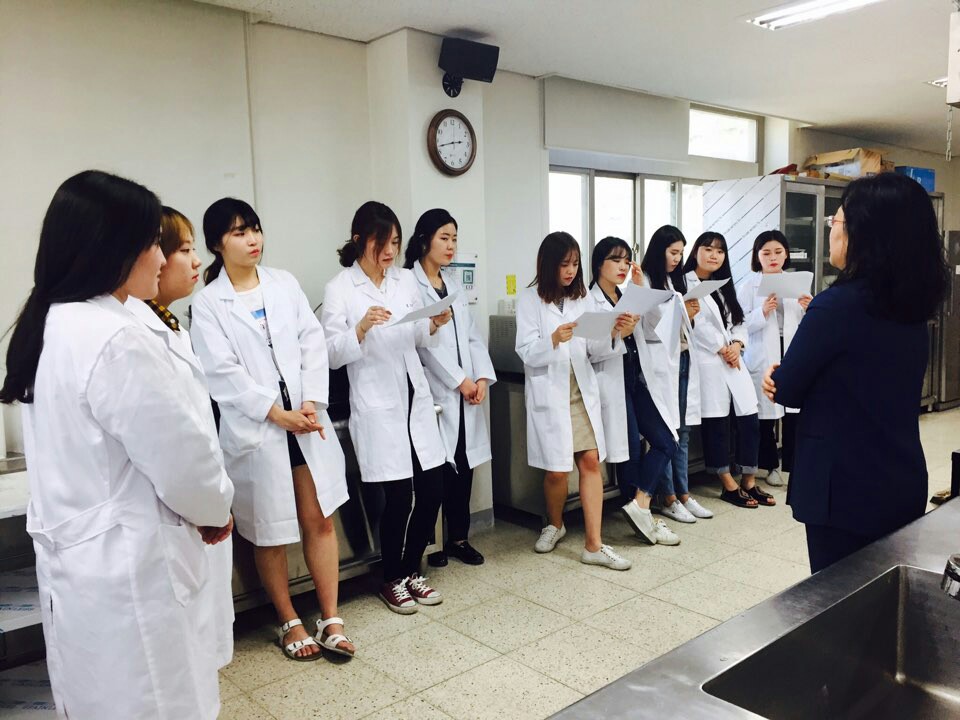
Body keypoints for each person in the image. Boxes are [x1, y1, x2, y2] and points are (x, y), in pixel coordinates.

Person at [0, 170, 234, 719]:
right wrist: (215, 509)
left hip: (83, 567)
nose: (162, 257)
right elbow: (182, 462)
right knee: (156, 701)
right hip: (132, 568)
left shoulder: (53, 322)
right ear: (115, 249)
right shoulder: (115, 337)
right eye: (153, 243)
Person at [191, 198, 353, 661]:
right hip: (259, 431)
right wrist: (274, 413)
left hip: (304, 422)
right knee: (269, 530)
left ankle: (330, 617)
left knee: (319, 519)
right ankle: (288, 619)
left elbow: (311, 341)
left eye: (255, 229)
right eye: (239, 232)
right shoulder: (208, 303)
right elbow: (220, 373)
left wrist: (310, 401)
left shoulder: (283, 283)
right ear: (217, 244)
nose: (253, 239)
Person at [763, 172, 949, 573]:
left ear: (864, 234)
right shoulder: (911, 306)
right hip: (899, 476)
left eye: (838, 220)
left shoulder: (836, 305)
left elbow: (788, 388)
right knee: (883, 590)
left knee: (841, 599)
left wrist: (777, 377)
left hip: (842, 488)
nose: (832, 229)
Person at [321, 201, 452, 614]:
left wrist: (432, 324)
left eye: (395, 242)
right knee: (398, 499)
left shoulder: (404, 280)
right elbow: (330, 353)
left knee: (433, 490)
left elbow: (417, 335)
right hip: (377, 403)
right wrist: (360, 328)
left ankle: (411, 569)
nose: (391, 252)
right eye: (382, 244)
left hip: (414, 398)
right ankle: (392, 578)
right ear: (359, 240)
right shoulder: (340, 288)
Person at [125, 205, 236, 669]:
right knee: (184, 657)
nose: (196, 261)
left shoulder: (170, 325)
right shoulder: (135, 333)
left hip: (194, 510)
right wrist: (211, 507)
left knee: (201, 647)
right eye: (183, 250)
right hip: (177, 516)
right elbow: (172, 447)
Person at [515, 231, 632, 570]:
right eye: (564, 264)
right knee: (557, 471)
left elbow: (594, 348)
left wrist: (615, 332)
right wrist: (553, 339)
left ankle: (593, 545)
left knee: (590, 461)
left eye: (575, 264)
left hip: (580, 390)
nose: (570, 271)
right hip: (551, 392)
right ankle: (555, 524)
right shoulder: (529, 300)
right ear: (548, 264)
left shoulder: (583, 299)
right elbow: (525, 351)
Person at [403, 209, 496, 567]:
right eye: (444, 238)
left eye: (454, 238)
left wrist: (481, 378)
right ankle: (434, 544)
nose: (451, 245)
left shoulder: (453, 285)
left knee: (464, 466)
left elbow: (472, 336)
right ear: (424, 240)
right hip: (437, 393)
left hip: (466, 393)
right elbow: (425, 347)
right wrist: (461, 381)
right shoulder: (410, 285)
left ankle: (458, 538)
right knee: (437, 473)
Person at [586, 236, 681, 546]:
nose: (623, 266)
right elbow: (589, 350)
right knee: (630, 453)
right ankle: (644, 516)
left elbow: (654, 329)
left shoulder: (628, 296)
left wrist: (642, 292)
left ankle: (641, 503)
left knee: (666, 441)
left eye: (626, 261)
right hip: (613, 385)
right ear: (599, 264)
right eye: (615, 260)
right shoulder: (589, 301)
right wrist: (617, 332)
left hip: (638, 382)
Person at [682, 232, 771, 509]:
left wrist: (737, 344)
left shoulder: (723, 285)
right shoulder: (685, 284)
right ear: (695, 251)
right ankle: (728, 484)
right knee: (717, 424)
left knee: (750, 420)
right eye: (708, 249)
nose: (714, 255)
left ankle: (749, 481)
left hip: (733, 360)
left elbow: (739, 321)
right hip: (709, 361)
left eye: (720, 251)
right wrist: (722, 347)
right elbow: (694, 324)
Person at [640, 226, 713, 521]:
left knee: (682, 431)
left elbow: (682, 326)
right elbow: (652, 327)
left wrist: (689, 315)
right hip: (659, 364)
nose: (677, 258)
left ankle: (683, 493)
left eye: (681, 253)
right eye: (673, 252)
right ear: (659, 250)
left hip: (682, 359)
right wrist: (684, 313)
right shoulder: (645, 281)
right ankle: (667, 497)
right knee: (667, 432)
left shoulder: (675, 279)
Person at [736, 230, 811, 488]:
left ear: (786, 254)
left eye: (778, 252)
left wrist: (809, 308)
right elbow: (739, 324)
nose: (773, 257)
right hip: (762, 354)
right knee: (766, 416)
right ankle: (771, 466)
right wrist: (762, 312)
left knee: (793, 413)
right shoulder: (748, 286)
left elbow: (806, 323)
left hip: (791, 350)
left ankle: (793, 465)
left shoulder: (797, 283)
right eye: (766, 253)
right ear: (757, 256)